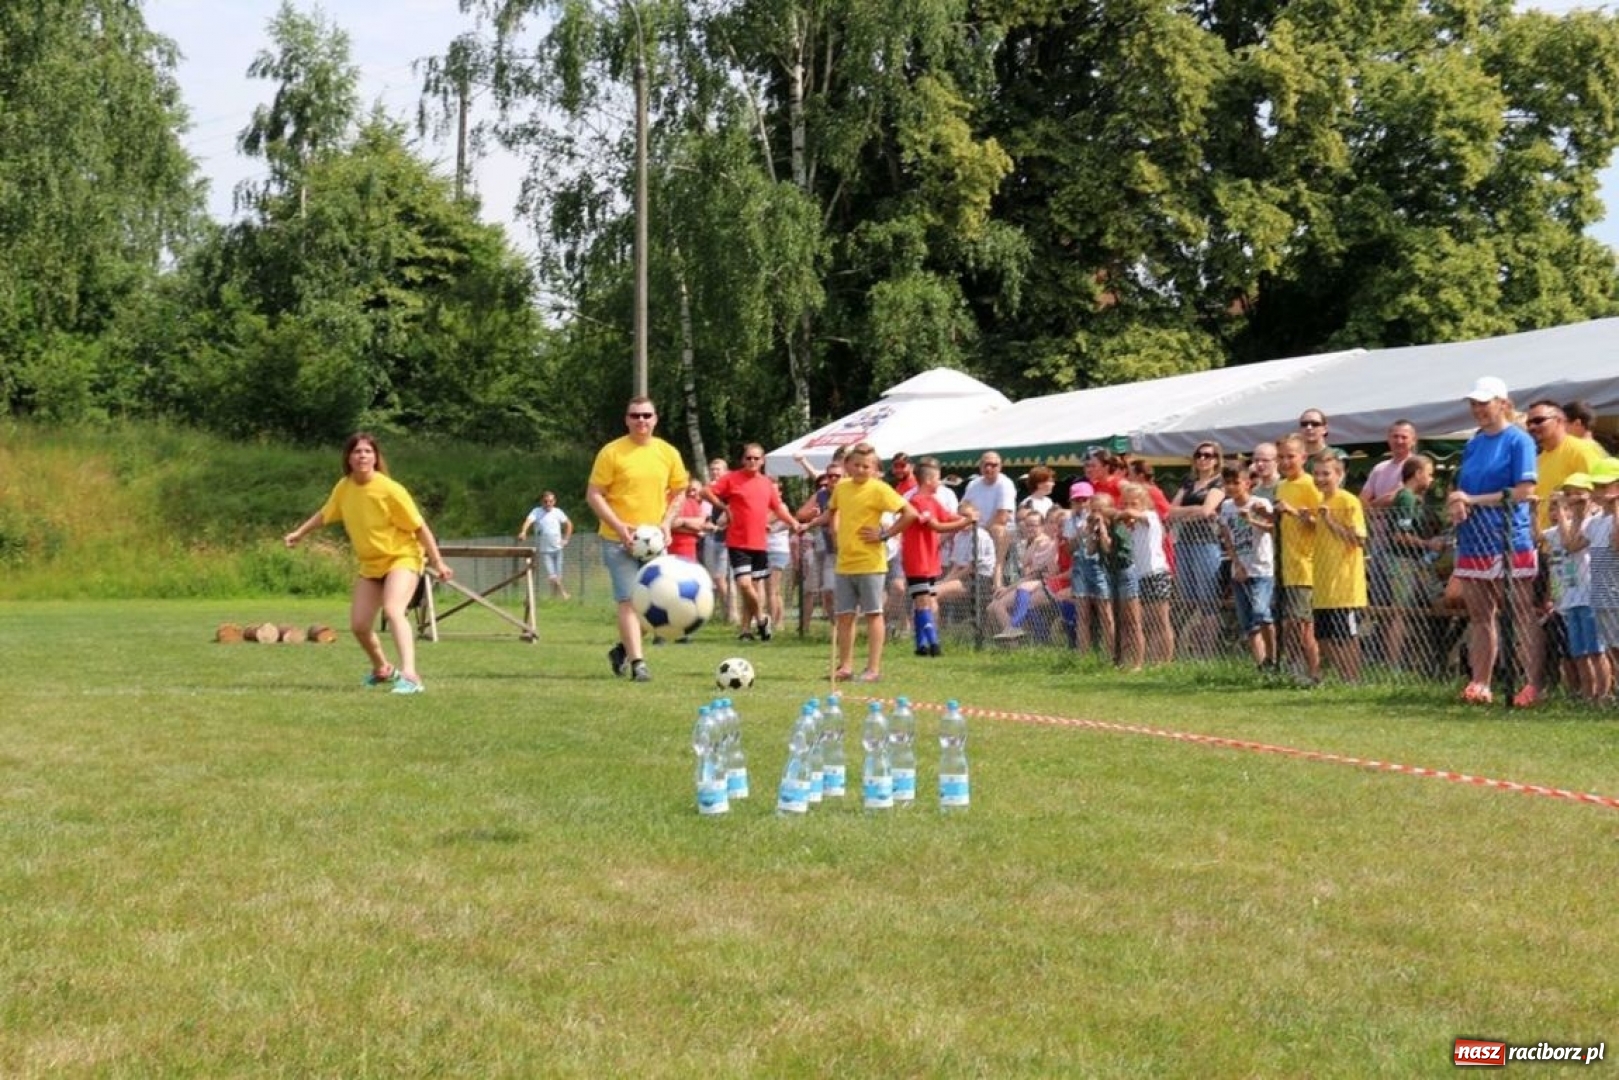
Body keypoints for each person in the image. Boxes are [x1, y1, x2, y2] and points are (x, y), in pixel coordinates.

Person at [283, 432, 453, 695]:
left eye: (367, 451)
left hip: (402, 556)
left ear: (375, 457)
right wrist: (299, 533)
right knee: (359, 626)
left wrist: (438, 562)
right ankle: (383, 669)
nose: (362, 456)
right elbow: (325, 513)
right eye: (357, 452)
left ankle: (410, 675)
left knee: (394, 610)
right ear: (348, 458)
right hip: (371, 565)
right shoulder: (344, 487)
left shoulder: (391, 489)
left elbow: (420, 528)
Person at [1448, 376, 1541, 707]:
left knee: (1520, 612)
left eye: (1484, 403)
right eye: (1474, 404)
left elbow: (1525, 491)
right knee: (1479, 615)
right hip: (1473, 540)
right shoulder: (1473, 443)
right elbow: (1463, 488)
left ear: (1503, 403)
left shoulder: (1520, 441)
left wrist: (1472, 500)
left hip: (1507, 539)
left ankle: (1530, 684)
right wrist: (1459, 504)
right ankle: (1480, 682)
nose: (1478, 410)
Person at [586, 395, 689, 683]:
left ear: (655, 419)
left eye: (646, 415)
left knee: (660, 604)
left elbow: (680, 490)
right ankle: (639, 664)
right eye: (635, 416)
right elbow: (594, 494)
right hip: (618, 541)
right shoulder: (612, 452)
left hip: (655, 542)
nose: (641, 421)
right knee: (629, 602)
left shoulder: (668, 453)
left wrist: (667, 524)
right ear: (626, 419)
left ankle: (623, 650)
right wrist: (620, 527)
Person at [808, 442, 918, 683]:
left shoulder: (880, 489)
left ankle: (873, 669)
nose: (860, 470)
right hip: (845, 562)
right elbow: (832, 512)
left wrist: (884, 535)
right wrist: (811, 524)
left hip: (870, 563)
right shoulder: (842, 488)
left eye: (866, 466)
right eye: (856, 465)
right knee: (845, 616)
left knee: (873, 614)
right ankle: (845, 667)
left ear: (874, 467)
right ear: (847, 465)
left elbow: (910, 513)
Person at [703, 442, 802, 642]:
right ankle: (762, 618)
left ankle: (746, 630)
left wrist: (793, 522)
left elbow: (778, 508)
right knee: (745, 585)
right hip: (738, 542)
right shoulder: (731, 479)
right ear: (742, 460)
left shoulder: (766, 483)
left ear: (762, 461)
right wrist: (724, 507)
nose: (752, 461)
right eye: (749, 458)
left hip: (759, 543)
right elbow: (706, 491)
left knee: (753, 589)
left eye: (756, 458)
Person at [899, 459, 978, 656]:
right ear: (927, 480)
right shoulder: (917, 502)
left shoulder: (933, 501)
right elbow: (936, 526)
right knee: (923, 600)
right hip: (917, 559)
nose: (940, 482)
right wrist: (965, 522)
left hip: (929, 558)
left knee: (925, 599)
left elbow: (947, 516)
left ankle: (921, 645)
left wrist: (966, 518)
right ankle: (934, 643)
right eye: (937, 478)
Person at [1544, 474, 1608, 701]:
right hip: (1571, 598)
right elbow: (1566, 542)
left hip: (1590, 593)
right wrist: (1562, 510)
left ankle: (1603, 694)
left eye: (1578, 493)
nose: (1573, 498)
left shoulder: (1595, 520)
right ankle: (1588, 695)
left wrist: (1573, 511)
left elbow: (1572, 545)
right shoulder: (1572, 522)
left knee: (1596, 650)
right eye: (1569, 493)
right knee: (1579, 651)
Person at [1268, 434, 1322, 684]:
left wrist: (1292, 512)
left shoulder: (1310, 485)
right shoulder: (1282, 486)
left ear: (1303, 457)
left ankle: (1314, 674)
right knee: (1289, 624)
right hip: (1285, 566)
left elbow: (1320, 523)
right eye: (1281, 457)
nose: (1286, 461)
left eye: (1291, 456)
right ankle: (1295, 670)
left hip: (1304, 565)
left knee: (1303, 626)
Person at [1383, 454, 1446, 668]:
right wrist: (1429, 544)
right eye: (1428, 474)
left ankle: (1429, 657)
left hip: (1416, 562)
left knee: (1433, 601)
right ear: (1417, 474)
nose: (1430, 480)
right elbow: (1400, 535)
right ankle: (1393, 664)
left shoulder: (1416, 499)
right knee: (1400, 611)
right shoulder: (1406, 498)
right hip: (1402, 561)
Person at [1311, 453, 1368, 682]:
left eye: (1326, 473)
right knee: (1324, 636)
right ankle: (1342, 677)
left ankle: (1352, 679)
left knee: (1345, 635)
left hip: (1343, 585)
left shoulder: (1348, 501)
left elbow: (1359, 539)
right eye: (1316, 473)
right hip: (1324, 582)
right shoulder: (1320, 501)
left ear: (1339, 475)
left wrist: (1330, 521)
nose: (1320, 478)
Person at [1167, 441, 1226, 657]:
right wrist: (1194, 510)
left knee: (1207, 598)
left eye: (1208, 455)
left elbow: (1207, 510)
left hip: (1206, 542)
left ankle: (1208, 650)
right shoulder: (1189, 482)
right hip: (1184, 542)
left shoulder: (1219, 483)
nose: (1202, 459)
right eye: (1199, 455)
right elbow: (1169, 511)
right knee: (1189, 596)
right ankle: (1191, 646)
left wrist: (1185, 512)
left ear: (1217, 459)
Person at [1217, 463, 1275, 669]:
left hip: (1261, 568)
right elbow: (1226, 536)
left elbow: (1273, 528)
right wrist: (1236, 563)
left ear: (1247, 483)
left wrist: (1252, 520)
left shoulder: (1260, 503)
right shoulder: (1226, 507)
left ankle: (1273, 656)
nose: (1231, 487)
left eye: (1236, 482)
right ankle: (1262, 664)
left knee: (1261, 612)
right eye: (1227, 483)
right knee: (1248, 621)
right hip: (1240, 569)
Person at [1118, 480, 1174, 666]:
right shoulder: (1128, 526)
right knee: (1142, 621)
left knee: (1160, 619)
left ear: (1144, 503)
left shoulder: (1150, 516)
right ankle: (1145, 658)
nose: (1128, 508)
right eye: (1125, 503)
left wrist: (1120, 513)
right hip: (1137, 575)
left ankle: (1164, 661)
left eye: (1133, 503)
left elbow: (1131, 514)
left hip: (1155, 573)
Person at [1525, 400, 1603, 532]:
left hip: (1578, 541)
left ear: (1559, 421)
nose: (1532, 427)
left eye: (1538, 420)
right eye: (1529, 423)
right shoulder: (1537, 460)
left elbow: (1599, 495)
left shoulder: (1580, 450)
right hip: (1546, 542)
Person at [960, 451, 1018, 586]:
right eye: (986, 464)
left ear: (1000, 467)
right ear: (980, 466)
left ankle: (997, 573)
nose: (989, 468)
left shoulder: (1005, 484)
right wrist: (969, 514)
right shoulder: (973, 484)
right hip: (975, 529)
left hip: (994, 532)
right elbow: (961, 507)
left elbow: (1002, 517)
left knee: (998, 529)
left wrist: (981, 532)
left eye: (994, 465)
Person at [515, 490, 574, 600]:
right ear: (542, 502)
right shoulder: (536, 512)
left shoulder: (558, 512)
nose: (548, 504)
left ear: (554, 502)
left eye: (551, 501)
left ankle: (553, 597)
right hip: (545, 550)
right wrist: (523, 531)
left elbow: (569, 524)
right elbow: (528, 522)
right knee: (553, 575)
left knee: (558, 576)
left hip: (558, 549)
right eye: (546, 501)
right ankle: (564, 594)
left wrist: (566, 539)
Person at [701, 457, 735, 623]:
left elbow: (734, 508)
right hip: (714, 537)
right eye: (712, 469)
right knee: (717, 578)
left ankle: (732, 613)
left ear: (726, 471)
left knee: (722, 578)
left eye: (718, 469)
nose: (715, 472)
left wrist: (725, 518)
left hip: (725, 540)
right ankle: (726, 613)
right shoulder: (715, 489)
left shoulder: (729, 488)